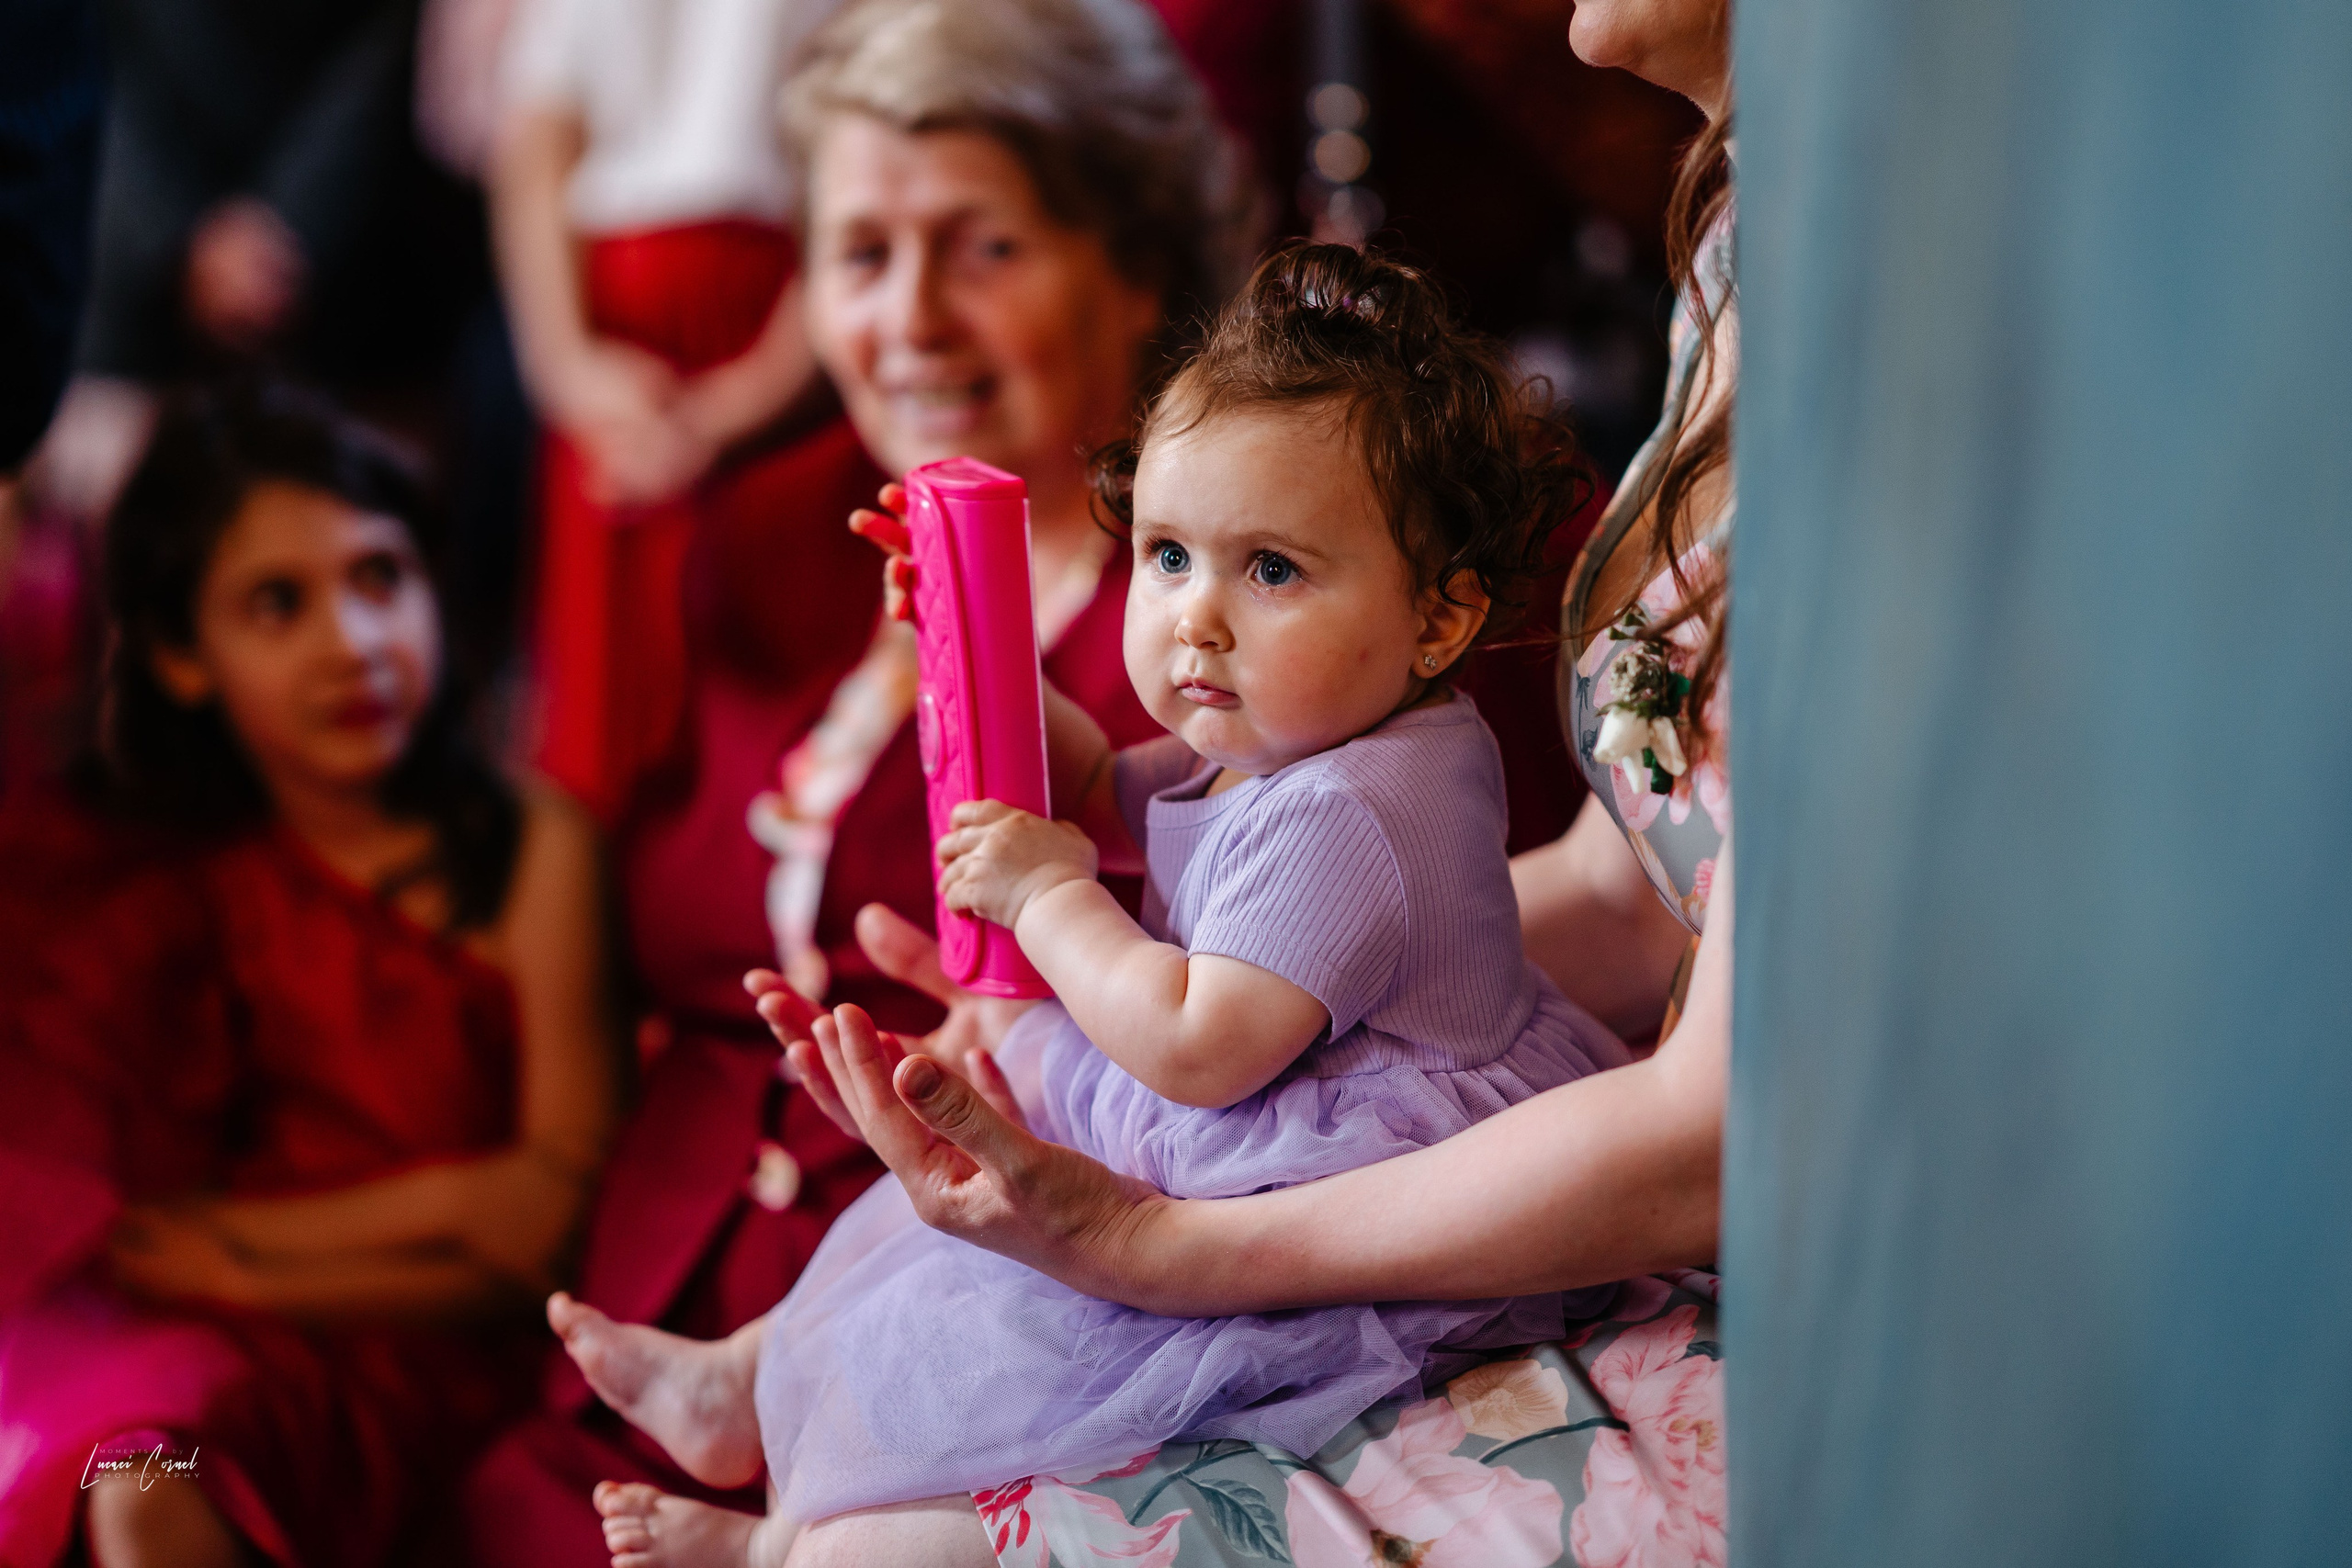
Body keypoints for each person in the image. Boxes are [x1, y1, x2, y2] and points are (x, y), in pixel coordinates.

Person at [628, 0, 1735, 1556]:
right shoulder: (1289, 734)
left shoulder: (1346, 801)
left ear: (1442, 615)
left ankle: (776, 1513)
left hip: (1311, 1139)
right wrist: (976, 663)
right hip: (1259, 1106)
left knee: (1013, 1322)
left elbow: (1202, 1044)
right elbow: (1111, 774)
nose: (1196, 613)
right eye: (1164, 555)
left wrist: (1058, 904)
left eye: (1267, 568)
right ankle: (747, 1384)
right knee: (925, 1230)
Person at [457, 2, 1275, 1559]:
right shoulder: (756, 541)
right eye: (858, 253)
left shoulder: (1230, 630)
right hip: (624, 1365)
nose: (909, 318)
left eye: (983, 249)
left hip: (972, 1398)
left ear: (1136, 264)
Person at [0, 382, 620, 1568]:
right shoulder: (185, 878)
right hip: (223, 1345)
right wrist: (462, 1201)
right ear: (183, 655)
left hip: (431, 1346)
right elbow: (133, 1232)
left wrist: (239, 1245)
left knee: (152, 1465)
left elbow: (544, 1229)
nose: (354, 640)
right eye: (277, 603)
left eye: (379, 575)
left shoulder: (532, 847)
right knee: (139, 1469)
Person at [490, 0, 849, 818]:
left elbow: (863, 158)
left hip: (787, 330)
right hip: (614, 349)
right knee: (602, 707)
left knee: (779, 705)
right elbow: (538, 139)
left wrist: (757, 392)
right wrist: (568, 364)